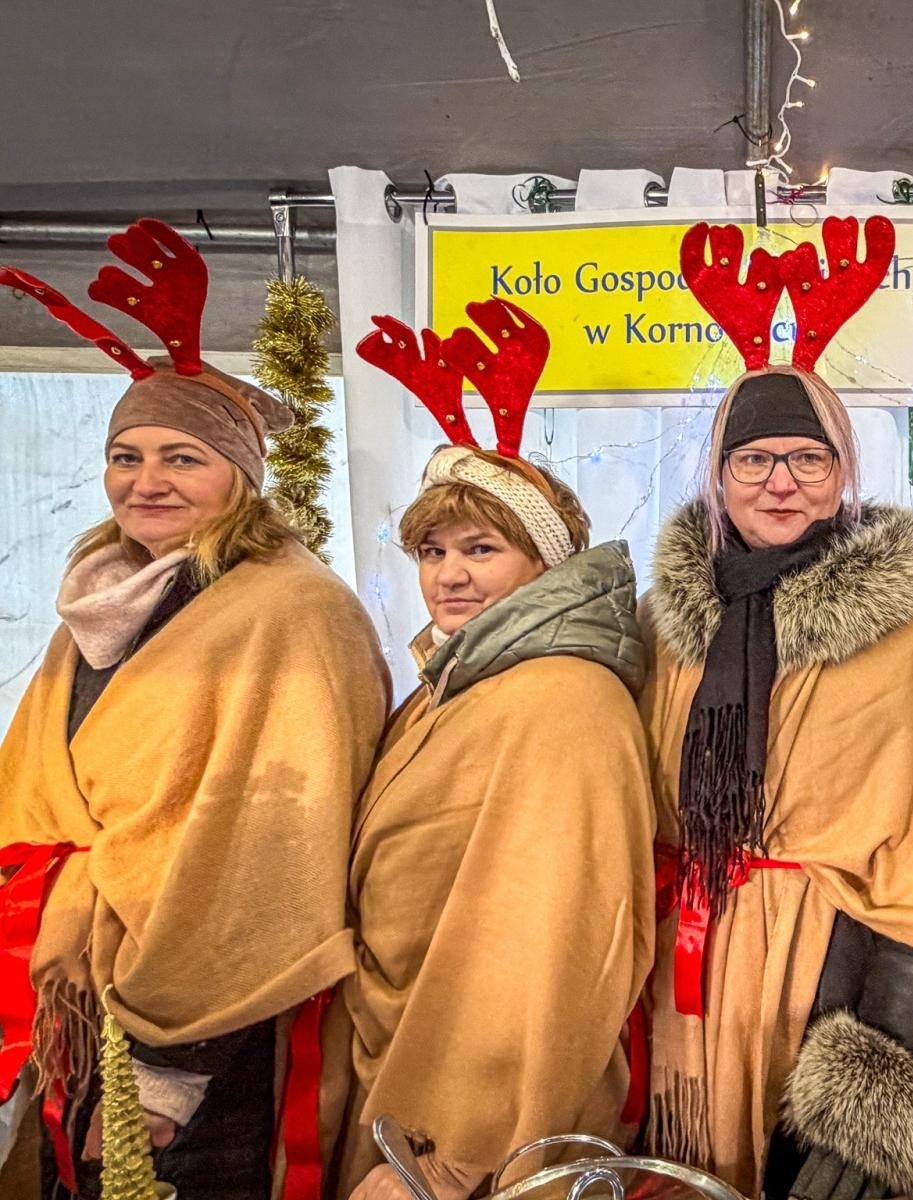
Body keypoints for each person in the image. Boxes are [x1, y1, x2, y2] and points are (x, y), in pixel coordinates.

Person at [640, 218, 913, 1200]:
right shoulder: (668, 631)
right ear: (718, 477)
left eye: (806, 460)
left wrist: (874, 1102)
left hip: (828, 979)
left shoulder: (912, 641)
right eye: (754, 460)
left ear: (842, 474)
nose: (780, 481)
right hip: (683, 978)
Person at [0, 221, 389, 1198]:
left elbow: (273, 841)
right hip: (81, 977)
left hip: (208, 1006)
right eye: (126, 456)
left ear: (241, 479)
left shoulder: (292, 610)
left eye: (182, 458)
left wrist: (175, 1068)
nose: (147, 481)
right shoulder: (100, 599)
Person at [329, 299, 656, 1200]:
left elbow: (548, 948)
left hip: (477, 1131)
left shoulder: (563, 701)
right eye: (432, 551)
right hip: (403, 1075)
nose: (450, 575)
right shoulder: (461, 680)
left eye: (481, 548)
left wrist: (452, 1154)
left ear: (543, 566)